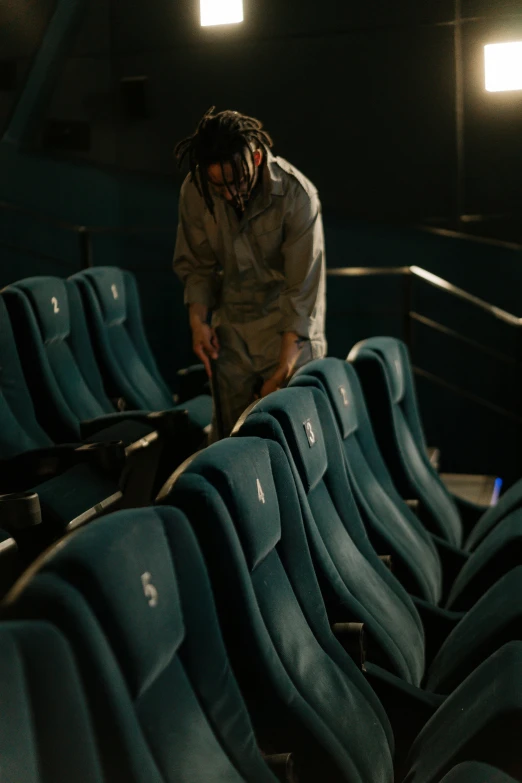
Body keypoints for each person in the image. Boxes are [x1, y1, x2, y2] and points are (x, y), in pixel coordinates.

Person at [173, 106, 326, 441]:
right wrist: (197, 322)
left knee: (294, 443)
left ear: (256, 159)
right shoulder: (196, 190)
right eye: (219, 186)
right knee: (232, 445)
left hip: (289, 337)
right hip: (232, 337)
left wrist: (282, 370)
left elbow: (302, 294)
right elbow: (197, 266)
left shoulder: (297, 196)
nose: (230, 194)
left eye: (237, 181)